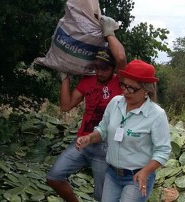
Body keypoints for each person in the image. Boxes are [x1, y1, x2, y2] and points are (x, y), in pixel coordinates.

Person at [46, 24, 127, 202]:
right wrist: (65, 78)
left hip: (105, 148)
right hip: (82, 142)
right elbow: (66, 106)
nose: (99, 72)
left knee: (102, 197)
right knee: (54, 177)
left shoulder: (119, 83)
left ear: (113, 69)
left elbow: (120, 57)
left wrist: (109, 33)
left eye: (104, 68)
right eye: (97, 67)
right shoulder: (88, 81)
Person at [76, 59, 172, 202]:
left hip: (137, 177)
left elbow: (163, 151)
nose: (125, 91)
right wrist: (89, 138)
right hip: (112, 174)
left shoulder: (156, 114)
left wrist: (145, 172)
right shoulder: (115, 103)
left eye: (131, 88)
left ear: (146, 89)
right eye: (123, 85)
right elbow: (103, 130)